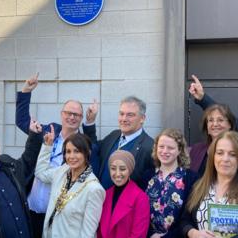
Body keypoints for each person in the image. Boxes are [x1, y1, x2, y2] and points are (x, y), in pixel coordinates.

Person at [16, 73, 98, 238]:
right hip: (31, 208)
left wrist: (90, 124)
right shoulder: (48, 131)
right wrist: (25, 91)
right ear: (62, 114)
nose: (72, 117)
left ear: (81, 118)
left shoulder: (81, 144)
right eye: (68, 112)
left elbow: (94, 148)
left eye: (76, 115)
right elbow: (22, 121)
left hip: (56, 215)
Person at [180, 131, 238, 238]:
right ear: (213, 157)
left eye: (232, 154)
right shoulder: (199, 186)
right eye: (220, 153)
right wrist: (193, 233)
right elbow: (184, 220)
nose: (225, 159)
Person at [35, 126, 105, 238]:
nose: (71, 156)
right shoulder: (62, 171)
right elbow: (41, 173)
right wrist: (47, 146)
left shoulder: (94, 189)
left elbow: (88, 233)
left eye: (76, 151)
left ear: (87, 153)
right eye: (68, 151)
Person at [84, 95, 155, 190]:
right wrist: (90, 122)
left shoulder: (150, 147)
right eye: (121, 114)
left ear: (142, 118)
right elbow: (94, 148)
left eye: (130, 115)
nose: (124, 119)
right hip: (100, 201)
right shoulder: (114, 135)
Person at [147, 129, 197, 238]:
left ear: (179, 150)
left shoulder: (190, 178)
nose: (165, 151)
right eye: (161, 147)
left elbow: (189, 216)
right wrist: (150, 235)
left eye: (170, 148)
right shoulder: (148, 176)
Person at [189, 104, 238, 176]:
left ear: (230, 125)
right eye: (211, 120)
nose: (215, 124)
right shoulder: (196, 149)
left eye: (220, 120)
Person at [98, 150, 149, 238]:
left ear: (130, 170)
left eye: (122, 169)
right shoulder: (106, 194)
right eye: (113, 168)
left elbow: (138, 235)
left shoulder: (140, 198)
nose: (117, 174)